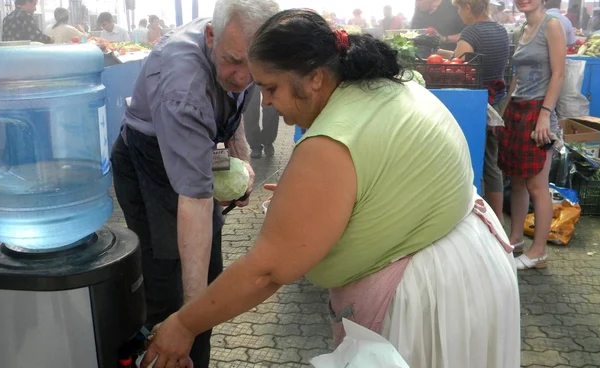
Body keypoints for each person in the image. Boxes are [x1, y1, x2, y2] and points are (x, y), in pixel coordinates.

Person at [141, 9, 520, 368]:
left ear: (316, 77)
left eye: (271, 88)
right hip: (470, 265)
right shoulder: (385, 89)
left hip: (429, 297)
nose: (268, 103)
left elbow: (267, 271)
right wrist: (307, 206)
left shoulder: (329, 143)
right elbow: (384, 181)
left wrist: (185, 324)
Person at [110, 0, 280, 367]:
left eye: (253, 68)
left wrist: (244, 166)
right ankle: (165, 352)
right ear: (210, 36)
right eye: (234, 62)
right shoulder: (183, 88)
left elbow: (232, 113)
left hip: (195, 149)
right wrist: (189, 320)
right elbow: (196, 202)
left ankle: (192, 351)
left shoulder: (240, 46)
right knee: (169, 284)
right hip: (147, 160)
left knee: (207, 271)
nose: (242, 77)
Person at [499, 0, 566, 269]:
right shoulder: (522, 30)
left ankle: (538, 251)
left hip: (540, 110)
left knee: (537, 186)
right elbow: (517, 74)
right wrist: (504, 110)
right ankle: (515, 239)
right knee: (516, 181)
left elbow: (559, 74)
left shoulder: (552, 25)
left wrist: (545, 114)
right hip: (517, 109)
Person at [441, 0, 510, 223]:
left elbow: (457, 65)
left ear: (468, 8)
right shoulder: (500, 30)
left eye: (459, 9)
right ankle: (498, 220)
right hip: (496, 101)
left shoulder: (471, 32)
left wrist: (442, 56)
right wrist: (439, 49)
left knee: (468, 158)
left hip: (474, 104)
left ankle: (470, 218)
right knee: (492, 162)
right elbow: (470, 56)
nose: (459, 14)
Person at [243, 85, 279, 158]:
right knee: (250, 109)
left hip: (270, 74)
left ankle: (268, 141)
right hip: (249, 76)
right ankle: (255, 145)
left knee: (271, 108)